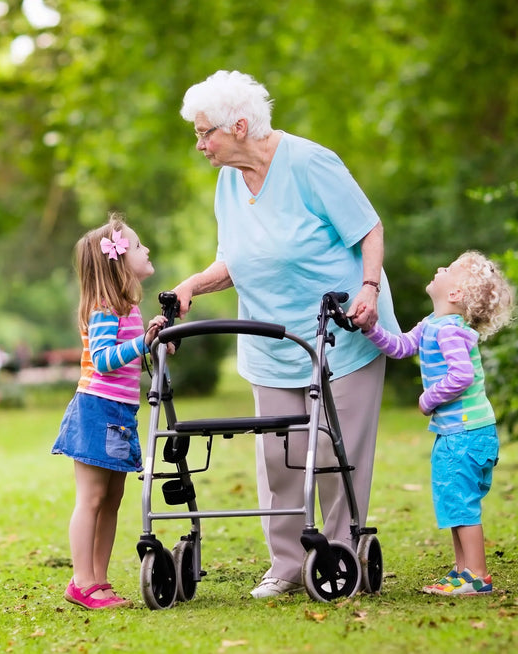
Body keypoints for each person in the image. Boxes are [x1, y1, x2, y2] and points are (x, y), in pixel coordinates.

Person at [173, 70, 400, 599]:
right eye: (198, 134)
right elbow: (233, 261)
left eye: (207, 133)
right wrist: (191, 286)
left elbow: (369, 228)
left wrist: (368, 289)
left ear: (242, 125)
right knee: (279, 456)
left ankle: (340, 556)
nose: (201, 145)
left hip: (340, 329)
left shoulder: (310, 163)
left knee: (334, 453)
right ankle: (287, 565)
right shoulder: (230, 179)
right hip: (271, 339)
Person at [362, 250, 514, 596]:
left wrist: (428, 399)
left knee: (461, 503)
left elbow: (462, 376)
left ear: (455, 294)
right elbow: (400, 347)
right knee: (453, 501)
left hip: (465, 433)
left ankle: (477, 575)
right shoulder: (433, 324)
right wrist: (371, 330)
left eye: (450, 269)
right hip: (457, 433)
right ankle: (462, 573)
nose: (440, 267)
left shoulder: (449, 331)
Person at [51, 213, 168, 610]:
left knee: (112, 498)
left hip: (119, 413)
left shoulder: (129, 309)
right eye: (137, 246)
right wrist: (142, 344)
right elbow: (102, 360)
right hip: (97, 409)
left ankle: (99, 581)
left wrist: (155, 339)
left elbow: (133, 353)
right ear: (118, 261)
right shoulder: (105, 309)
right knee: (91, 498)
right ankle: (82, 581)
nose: (146, 249)